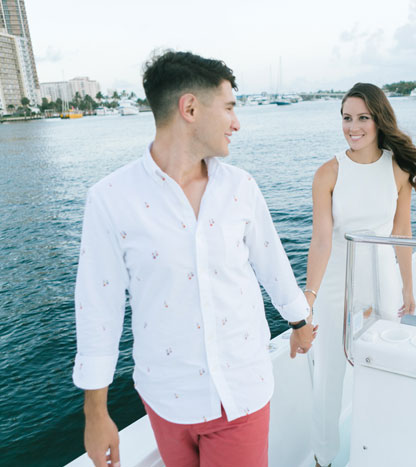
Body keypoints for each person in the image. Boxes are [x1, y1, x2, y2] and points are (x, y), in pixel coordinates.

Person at [72, 50, 316, 467]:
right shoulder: (111, 199)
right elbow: (99, 308)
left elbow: (272, 265)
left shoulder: (241, 187)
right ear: (189, 108)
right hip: (165, 399)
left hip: (242, 394)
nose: (237, 122)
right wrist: (96, 414)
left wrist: (300, 322)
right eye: (229, 108)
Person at [304, 83, 416, 466]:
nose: (353, 126)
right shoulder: (328, 172)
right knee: (330, 375)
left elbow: (402, 233)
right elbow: (321, 242)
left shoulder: (397, 168)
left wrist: (408, 287)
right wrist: (307, 300)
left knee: (382, 367)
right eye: (347, 118)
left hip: (382, 281)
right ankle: (323, 458)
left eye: (363, 117)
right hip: (335, 285)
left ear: (379, 120)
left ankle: (379, 450)